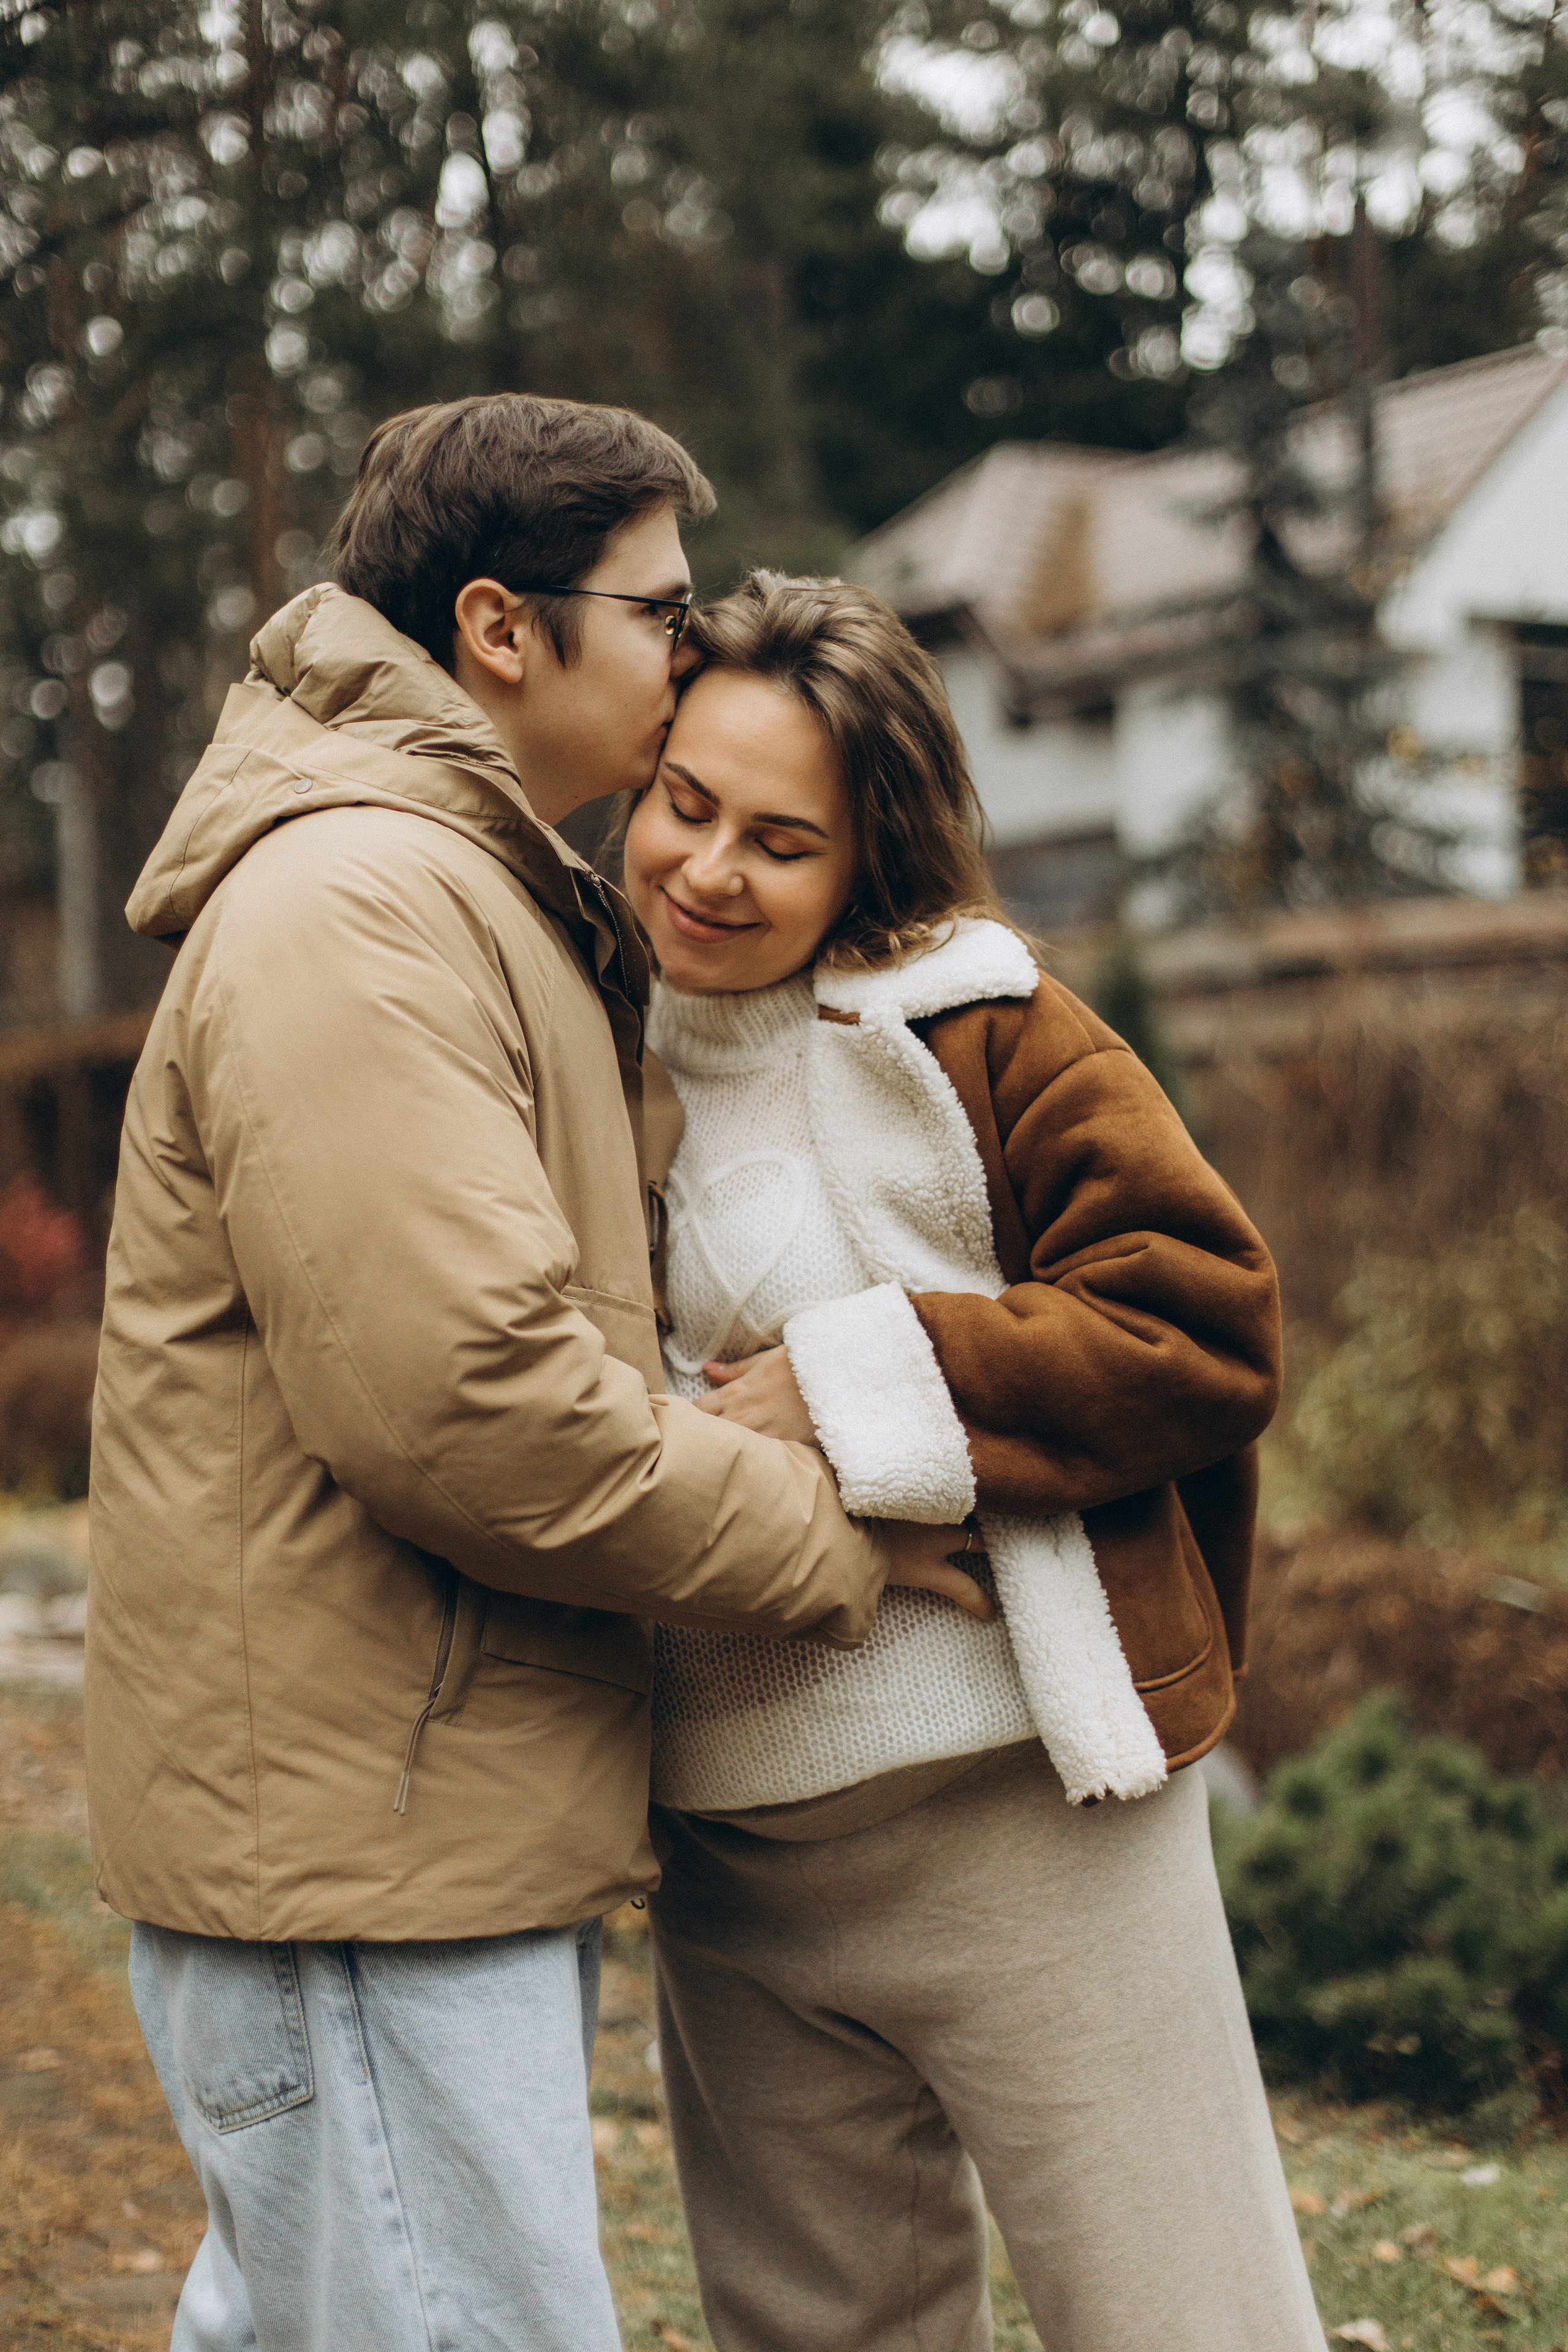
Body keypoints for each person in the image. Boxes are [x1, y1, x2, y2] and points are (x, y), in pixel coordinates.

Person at [85, 400, 970, 2352]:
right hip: (360, 1858)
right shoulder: (360, 909)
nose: (691, 656)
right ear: (502, 628)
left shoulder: (456, 888)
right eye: (659, 612)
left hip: (393, 1825)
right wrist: (833, 1535)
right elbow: (472, 1409)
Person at [622, 571, 1328, 2352]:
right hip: (733, 1840)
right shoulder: (564, 1039)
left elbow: (1202, 1323)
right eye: (683, 805)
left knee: (1192, 2322)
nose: (708, 870)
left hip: (1031, 1816)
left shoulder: (986, 1026)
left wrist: (855, 1386)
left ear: (866, 860)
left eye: (780, 842)